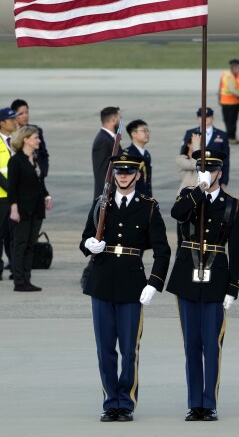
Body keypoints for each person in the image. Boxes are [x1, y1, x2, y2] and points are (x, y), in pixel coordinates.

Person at [79, 150, 171, 422]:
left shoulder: (148, 206)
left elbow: (162, 250)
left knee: (129, 348)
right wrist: (89, 245)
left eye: (128, 172)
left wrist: (154, 283)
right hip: (102, 281)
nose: (123, 176)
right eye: (119, 172)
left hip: (132, 283)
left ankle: (126, 402)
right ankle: (110, 402)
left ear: (138, 176)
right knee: (105, 347)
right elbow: (85, 238)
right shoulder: (101, 203)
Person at [169, 150, 239, 421]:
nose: (208, 175)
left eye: (212, 171)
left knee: (212, 345)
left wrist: (233, 287)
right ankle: (194, 404)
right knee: (191, 344)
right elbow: (177, 214)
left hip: (216, 278)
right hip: (187, 276)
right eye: (203, 170)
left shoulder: (233, 205)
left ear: (220, 173)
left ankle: (209, 403)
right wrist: (198, 191)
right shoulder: (188, 197)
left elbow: (236, 249)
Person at [7, 125, 52, 291]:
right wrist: (14, 209)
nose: (38, 140)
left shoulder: (35, 159)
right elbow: (12, 187)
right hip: (22, 209)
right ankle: (19, 281)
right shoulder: (16, 161)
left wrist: (46, 196)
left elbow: (40, 182)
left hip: (37, 209)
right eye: (35, 137)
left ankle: (27, 278)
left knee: (30, 245)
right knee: (20, 244)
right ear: (25, 139)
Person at [182, 108, 231, 188]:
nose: (205, 119)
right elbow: (184, 154)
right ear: (198, 118)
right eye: (202, 117)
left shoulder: (222, 135)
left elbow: (225, 160)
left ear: (212, 118)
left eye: (207, 116)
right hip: (194, 177)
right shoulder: (190, 133)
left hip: (215, 177)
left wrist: (224, 180)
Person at [0, 107, 19, 276]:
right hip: (1, 197)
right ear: (1, 123)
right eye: (11, 119)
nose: (15, 121)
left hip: (15, 197)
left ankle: (15, 267)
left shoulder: (17, 140)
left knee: (13, 235)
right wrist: (12, 189)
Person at [11, 99, 49, 176]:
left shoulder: (36, 130)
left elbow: (43, 153)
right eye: (21, 114)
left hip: (36, 174)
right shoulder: (9, 133)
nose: (25, 116)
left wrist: (43, 171)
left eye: (27, 112)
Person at [218, 58, 239, 143]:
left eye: (236, 67)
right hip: (225, 102)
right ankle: (230, 137)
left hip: (235, 103)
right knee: (227, 120)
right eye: (233, 67)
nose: (235, 68)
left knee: (232, 121)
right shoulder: (226, 75)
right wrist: (219, 99)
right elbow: (221, 88)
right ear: (231, 67)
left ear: (238, 67)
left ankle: (231, 137)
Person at [92, 106, 120, 198]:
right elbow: (102, 174)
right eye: (119, 118)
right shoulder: (103, 141)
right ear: (114, 119)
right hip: (108, 198)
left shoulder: (110, 138)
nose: (120, 121)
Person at [124, 119, 152, 198]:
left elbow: (147, 181)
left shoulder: (146, 154)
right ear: (133, 134)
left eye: (148, 131)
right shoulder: (128, 155)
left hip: (145, 198)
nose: (147, 133)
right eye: (144, 131)